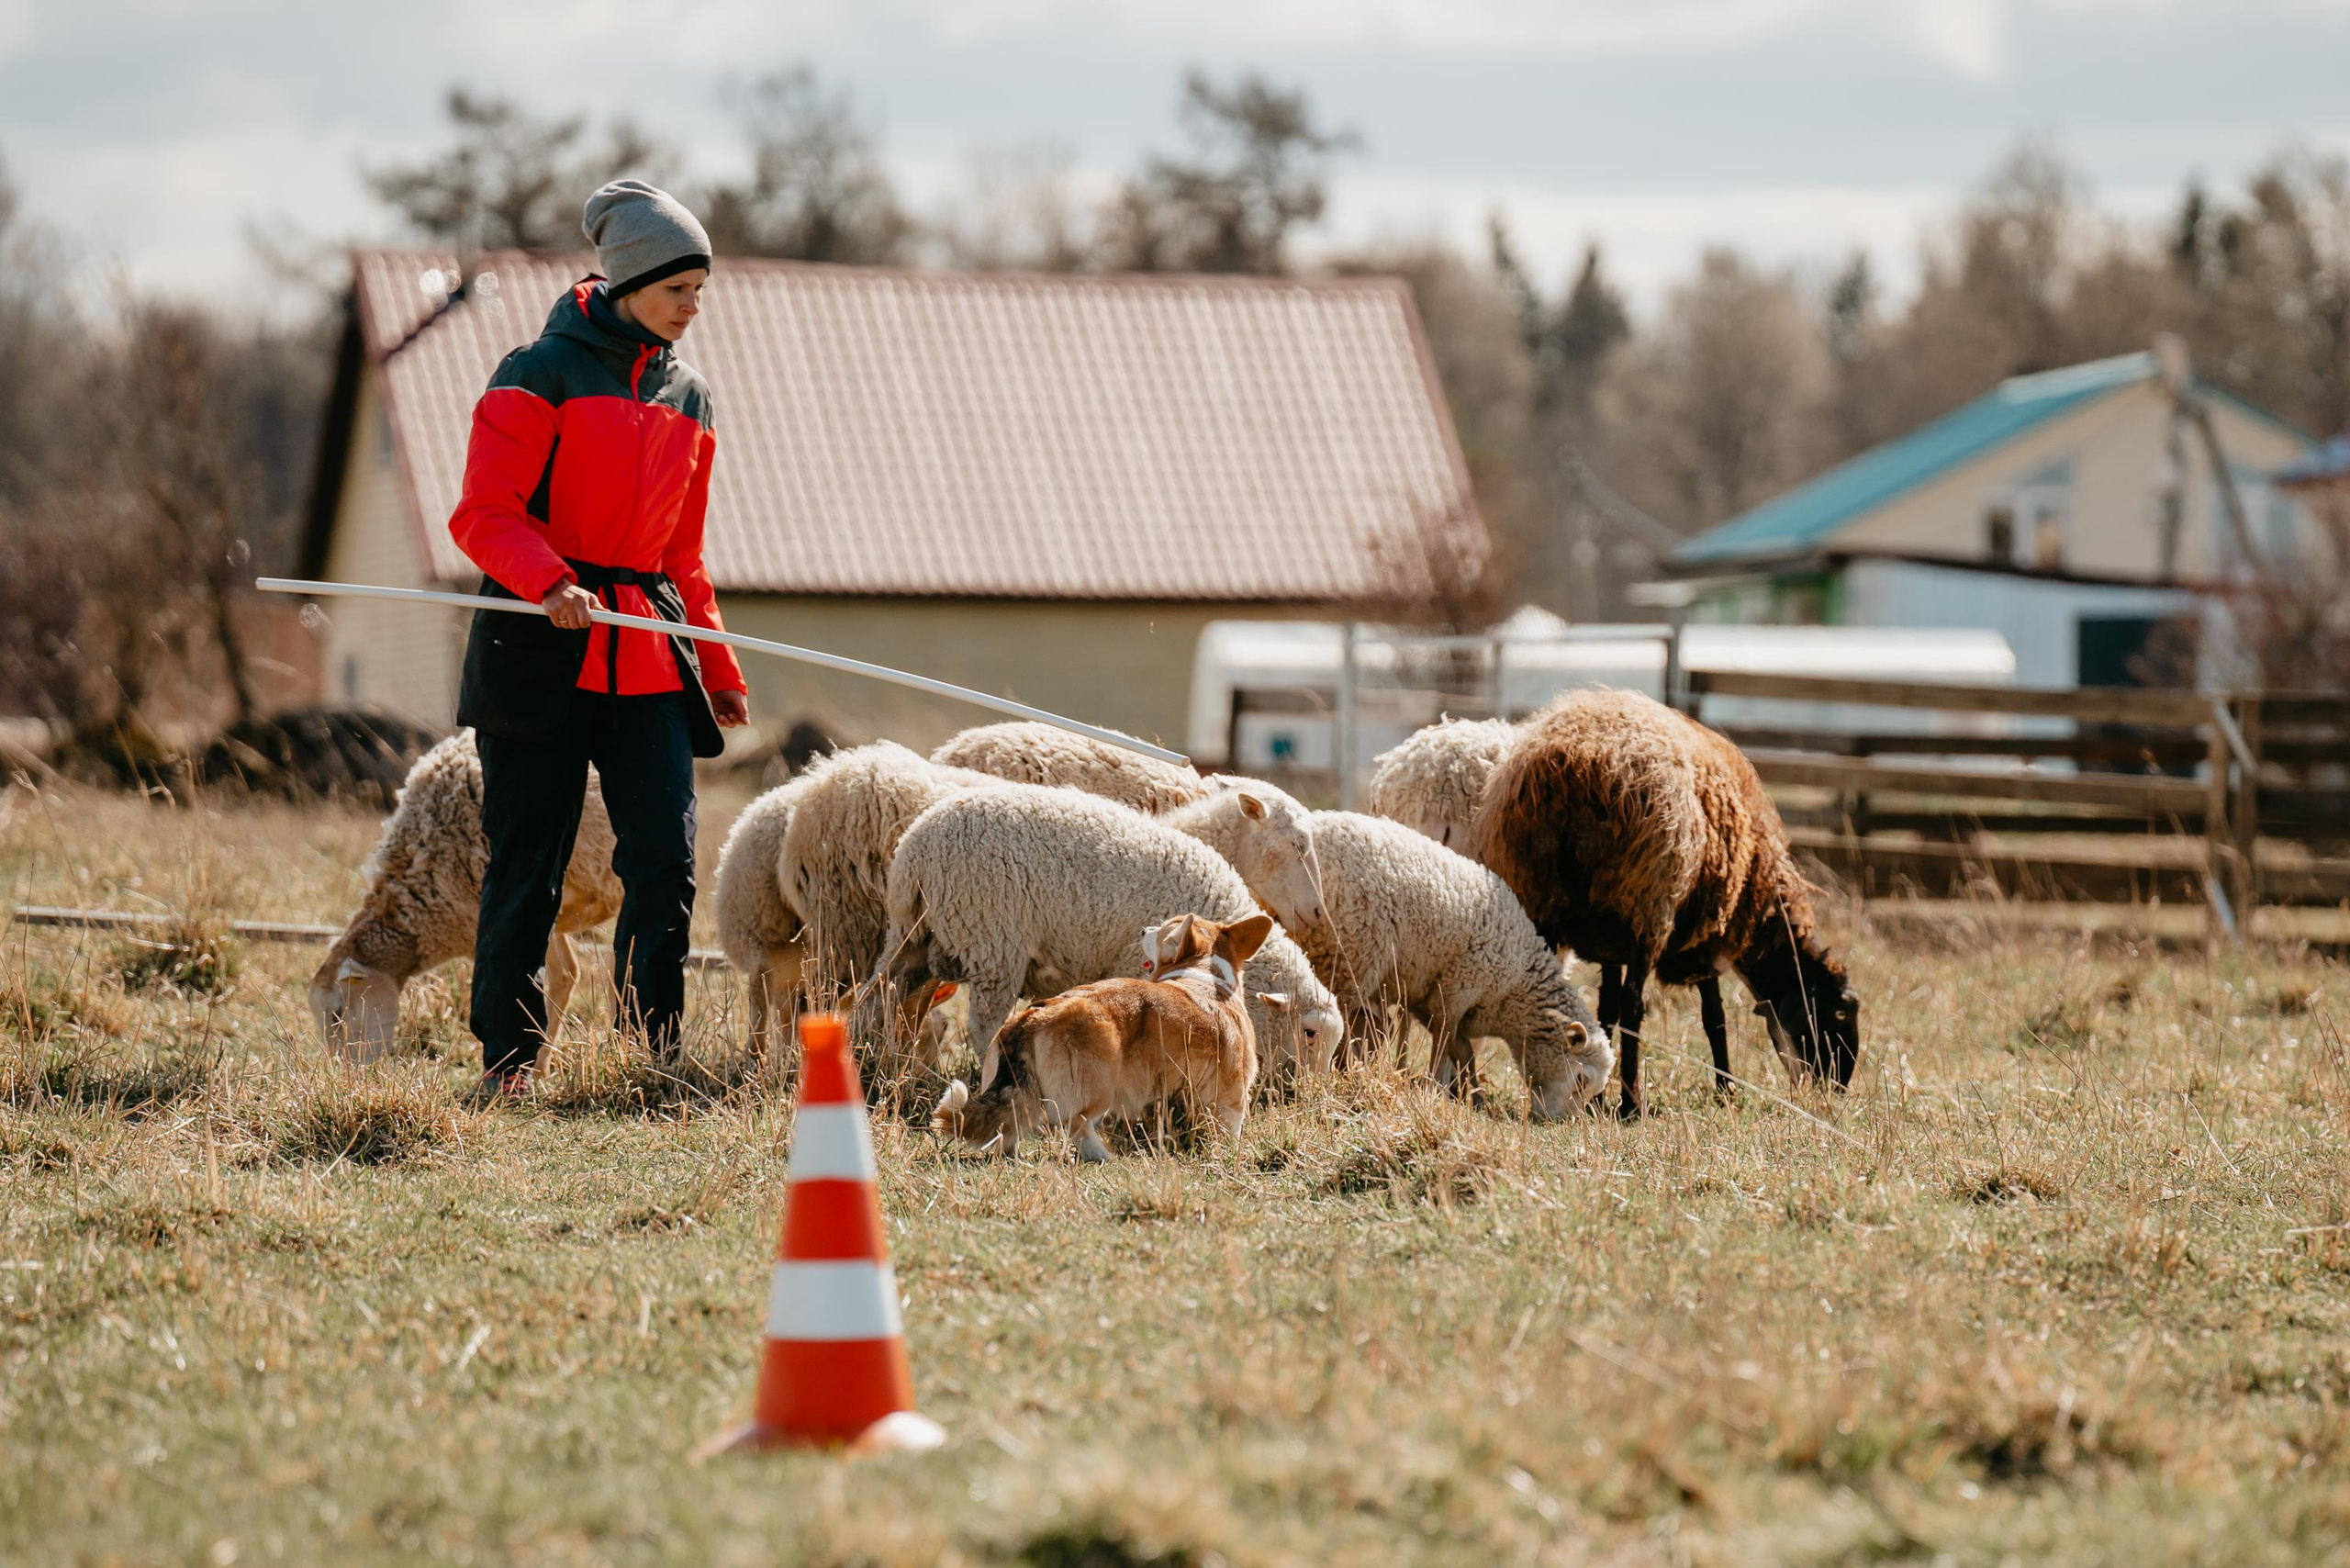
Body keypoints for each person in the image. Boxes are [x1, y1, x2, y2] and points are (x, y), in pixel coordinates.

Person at [447, 179, 750, 1103]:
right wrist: (549, 582)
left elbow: (681, 556)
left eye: (701, 289)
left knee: (665, 860)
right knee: (527, 862)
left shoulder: (691, 399)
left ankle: (652, 1055)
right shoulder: (536, 373)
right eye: (679, 290)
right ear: (626, 284)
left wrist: (718, 662)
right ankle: (509, 1062)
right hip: (540, 648)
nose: (695, 307)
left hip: (647, 653)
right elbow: (483, 515)